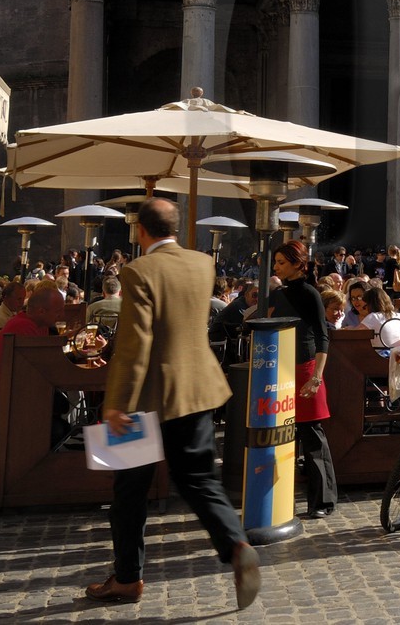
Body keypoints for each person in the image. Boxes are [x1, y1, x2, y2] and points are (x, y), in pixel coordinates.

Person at [86, 198, 258, 609]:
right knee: (200, 480)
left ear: (140, 231)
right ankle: (235, 545)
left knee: (128, 493)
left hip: (144, 398)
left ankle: (128, 578)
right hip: (196, 389)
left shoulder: (138, 270)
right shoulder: (202, 264)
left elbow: (135, 343)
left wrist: (116, 403)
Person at [269, 239, 338, 521]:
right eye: (276, 262)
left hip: (306, 368)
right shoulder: (278, 293)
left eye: (281, 263)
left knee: (311, 437)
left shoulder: (310, 293)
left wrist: (317, 377)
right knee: (284, 436)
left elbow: (323, 336)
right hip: (282, 369)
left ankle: (323, 501)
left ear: (298, 264)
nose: (276, 267)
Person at [0, 282, 68, 445]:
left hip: (0, 402)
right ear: (41, 311)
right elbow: (41, 371)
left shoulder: (38, 325)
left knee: (58, 411)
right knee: (55, 425)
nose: (62, 315)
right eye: (58, 311)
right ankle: (18, 467)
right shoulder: (22, 327)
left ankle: (20, 466)